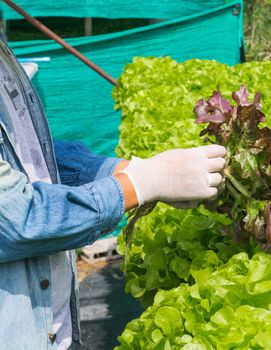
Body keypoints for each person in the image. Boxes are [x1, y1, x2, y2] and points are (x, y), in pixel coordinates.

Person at [0, 33, 226, 349]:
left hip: (53, 330)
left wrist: (127, 169)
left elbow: (31, 156)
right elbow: (14, 219)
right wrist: (142, 183)